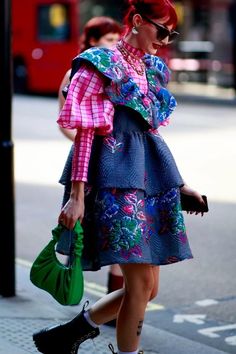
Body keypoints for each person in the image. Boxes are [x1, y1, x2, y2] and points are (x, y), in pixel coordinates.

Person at [33, 1, 207, 353]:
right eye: (161, 30)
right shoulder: (100, 62)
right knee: (141, 284)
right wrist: (76, 196)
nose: (165, 39)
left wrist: (179, 183)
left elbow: (151, 134)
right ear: (138, 21)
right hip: (113, 179)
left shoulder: (152, 68)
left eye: (171, 33)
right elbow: (84, 133)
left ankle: (69, 334)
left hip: (149, 179)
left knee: (148, 288)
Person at [57, 16, 124, 309]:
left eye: (116, 39)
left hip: (117, 162)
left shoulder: (120, 70)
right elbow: (65, 122)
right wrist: (87, 142)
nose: (115, 44)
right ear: (94, 41)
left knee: (121, 240)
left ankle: (114, 306)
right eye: (109, 39)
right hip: (89, 163)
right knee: (90, 232)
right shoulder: (78, 74)